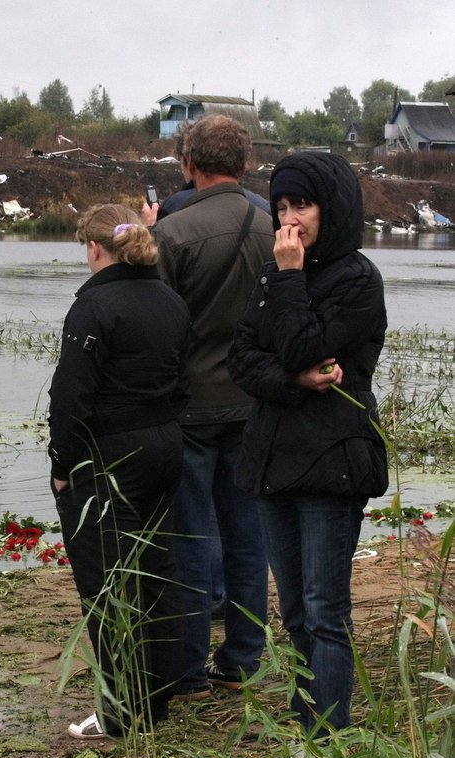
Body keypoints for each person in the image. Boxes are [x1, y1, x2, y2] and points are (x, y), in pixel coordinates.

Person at [228, 151, 387, 736]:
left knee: (324, 612)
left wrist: (291, 279)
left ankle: (329, 733)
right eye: (283, 207)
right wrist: (293, 381)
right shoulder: (272, 274)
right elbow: (241, 358)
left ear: (333, 207)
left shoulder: (357, 279)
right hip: (272, 462)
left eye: (304, 205)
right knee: (293, 612)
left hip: (330, 466)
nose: (291, 219)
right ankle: (305, 724)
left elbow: (301, 346)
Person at [48, 204, 190, 739]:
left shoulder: (94, 309)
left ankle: (118, 712)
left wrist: (63, 466)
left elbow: (71, 397)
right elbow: (182, 382)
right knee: (156, 570)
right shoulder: (171, 302)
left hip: (108, 455)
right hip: (164, 444)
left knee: (104, 583)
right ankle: (157, 700)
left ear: (94, 248)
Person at [150, 114, 275, 699]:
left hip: (190, 409)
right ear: (245, 162)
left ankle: (189, 668)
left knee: (191, 540)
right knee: (248, 538)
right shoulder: (276, 230)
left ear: (188, 164)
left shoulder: (171, 235)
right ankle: (245, 659)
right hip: (256, 406)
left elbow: (159, 329)